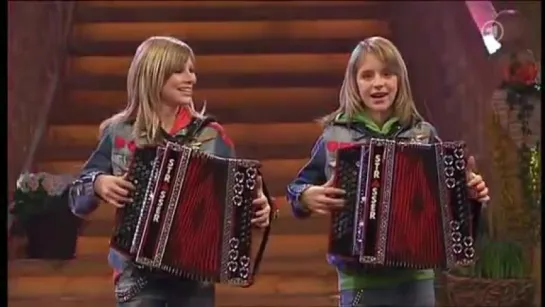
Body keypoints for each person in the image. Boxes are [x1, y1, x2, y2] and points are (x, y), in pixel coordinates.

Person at [286, 36, 490, 307]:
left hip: (416, 277)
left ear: (400, 80)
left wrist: (471, 195)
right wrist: (306, 196)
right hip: (358, 280)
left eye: (387, 74)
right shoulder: (335, 135)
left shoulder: (422, 134)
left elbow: (451, 203)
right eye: (367, 75)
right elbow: (297, 189)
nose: (378, 83)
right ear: (354, 83)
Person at [68, 36, 272, 307]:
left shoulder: (212, 136)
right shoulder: (119, 133)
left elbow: (235, 209)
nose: (192, 78)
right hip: (136, 277)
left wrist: (258, 209)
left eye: (192, 70)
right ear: (153, 74)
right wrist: (98, 183)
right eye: (180, 71)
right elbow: (76, 198)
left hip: (194, 279)